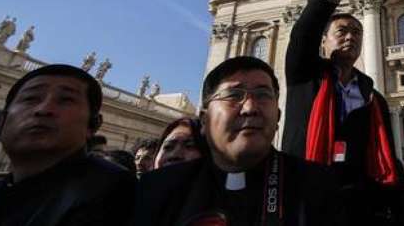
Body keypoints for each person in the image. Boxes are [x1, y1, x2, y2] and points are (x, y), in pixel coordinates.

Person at [136, 56, 344, 225]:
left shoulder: (319, 187)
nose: (250, 108)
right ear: (204, 120)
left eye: (263, 95)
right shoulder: (157, 189)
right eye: (234, 95)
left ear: (278, 117)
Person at [281, 0, 404, 225]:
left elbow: (389, 159)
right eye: (342, 31)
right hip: (306, 198)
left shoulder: (373, 98)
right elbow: (304, 30)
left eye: (357, 32)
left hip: (357, 206)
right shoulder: (305, 77)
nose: (351, 36)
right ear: (323, 41)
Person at [0, 64, 136, 226]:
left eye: (65, 100)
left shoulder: (115, 193)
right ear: (2, 121)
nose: (44, 109)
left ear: (93, 125)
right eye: (30, 98)